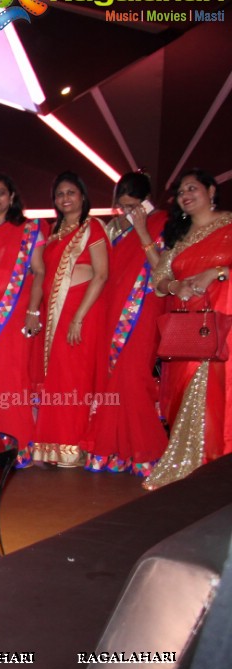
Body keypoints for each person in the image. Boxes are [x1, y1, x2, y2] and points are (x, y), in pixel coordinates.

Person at [145, 169, 232, 489]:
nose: (185, 195)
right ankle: (189, 467)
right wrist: (175, 285)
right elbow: (159, 281)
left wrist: (218, 272)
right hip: (186, 329)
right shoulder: (179, 237)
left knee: (220, 396)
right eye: (181, 192)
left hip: (225, 327)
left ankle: (219, 465)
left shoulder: (229, 225)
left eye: (192, 188)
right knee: (181, 397)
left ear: (211, 190)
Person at [82, 171, 168, 477]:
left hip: (143, 310)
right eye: (123, 206)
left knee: (134, 379)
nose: (128, 212)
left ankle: (147, 453)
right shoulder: (117, 227)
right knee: (111, 381)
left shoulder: (165, 223)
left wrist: (143, 231)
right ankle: (114, 451)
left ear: (146, 201)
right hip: (111, 308)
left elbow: (163, 273)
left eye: (133, 206)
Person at [27, 171, 109, 467]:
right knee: (57, 380)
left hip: (80, 312)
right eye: (60, 194)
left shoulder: (93, 227)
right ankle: (53, 446)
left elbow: (101, 275)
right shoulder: (54, 233)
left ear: (83, 197)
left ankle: (73, 447)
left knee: (74, 378)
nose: (65, 198)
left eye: (71, 192)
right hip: (54, 315)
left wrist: (78, 317)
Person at [0, 174, 42, 466]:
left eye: (1, 193)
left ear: (12, 197)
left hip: (14, 317)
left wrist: (33, 311)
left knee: (12, 380)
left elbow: (39, 272)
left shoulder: (29, 231)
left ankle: (19, 446)